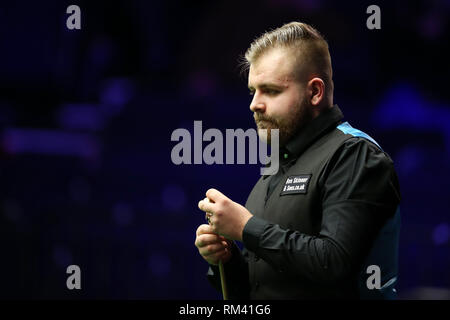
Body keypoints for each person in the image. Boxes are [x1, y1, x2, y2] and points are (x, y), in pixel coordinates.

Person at [195, 22, 401, 299]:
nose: (254, 104)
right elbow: (264, 290)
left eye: (270, 90)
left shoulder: (356, 155)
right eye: (253, 90)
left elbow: (334, 263)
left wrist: (246, 227)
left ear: (315, 92)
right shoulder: (277, 166)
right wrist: (226, 259)